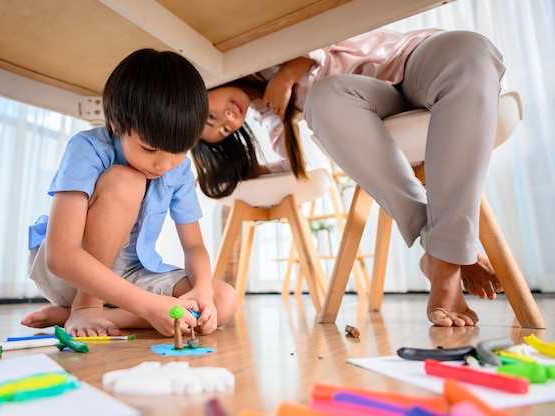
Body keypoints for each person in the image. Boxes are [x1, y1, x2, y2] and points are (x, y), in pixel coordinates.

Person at [191, 28, 506, 327]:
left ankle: (441, 255)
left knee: (471, 49)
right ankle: (446, 257)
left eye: (211, 115)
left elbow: (321, 30)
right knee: (323, 97)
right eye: (224, 130)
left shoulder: (248, 53)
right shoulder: (273, 111)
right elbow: (294, 161)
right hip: (361, 100)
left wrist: (287, 74)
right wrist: (249, 169)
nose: (227, 119)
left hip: (408, 58)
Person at [21, 48, 238, 338]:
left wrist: (201, 289)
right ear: (116, 125)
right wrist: (149, 305)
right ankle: (85, 307)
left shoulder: (178, 169)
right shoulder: (88, 148)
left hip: (130, 275)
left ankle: (88, 315)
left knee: (223, 299)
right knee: (127, 180)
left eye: (179, 151)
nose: (164, 164)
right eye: (150, 149)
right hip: (71, 273)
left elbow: (194, 247)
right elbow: (60, 255)